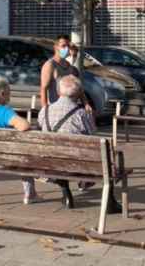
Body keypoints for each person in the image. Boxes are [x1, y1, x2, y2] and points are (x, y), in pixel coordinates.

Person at [38, 75, 122, 213]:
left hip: (51, 162)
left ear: (59, 92)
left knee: (60, 154)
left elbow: (42, 128)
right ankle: (110, 203)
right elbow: (91, 134)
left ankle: (66, 192)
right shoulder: (82, 113)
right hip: (78, 164)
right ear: (78, 94)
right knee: (108, 161)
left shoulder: (45, 110)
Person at [0, 76, 42, 204]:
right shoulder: (4, 111)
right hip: (2, 160)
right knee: (26, 153)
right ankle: (30, 194)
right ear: (2, 93)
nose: (10, 95)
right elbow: (24, 126)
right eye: (9, 92)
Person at [40, 35, 92, 114]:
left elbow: (79, 89)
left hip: (72, 109)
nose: (66, 49)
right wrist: (45, 109)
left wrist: (86, 104)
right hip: (55, 109)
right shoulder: (50, 65)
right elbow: (43, 88)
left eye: (68, 46)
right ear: (56, 47)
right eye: (63, 46)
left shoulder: (71, 68)